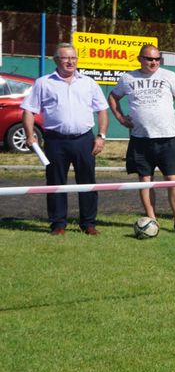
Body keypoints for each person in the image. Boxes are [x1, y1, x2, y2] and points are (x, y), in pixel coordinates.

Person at [20, 43, 109, 235]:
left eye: (73, 58)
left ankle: (89, 223)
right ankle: (58, 224)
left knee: (87, 182)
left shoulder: (89, 83)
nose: (70, 62)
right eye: (65, 58)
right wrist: (29, 134)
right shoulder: (43, 83)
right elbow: (28, 110)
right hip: (55, 141)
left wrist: (101, 136)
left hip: (84, 140)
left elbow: (102, 110)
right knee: (55, 182)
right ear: (56, 60)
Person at [108, 45, 175, 235]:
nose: (153, 62)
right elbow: (113, 97)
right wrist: (120, 118)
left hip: (167, 139)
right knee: (145, 181)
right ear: (140, 59)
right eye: (149, 59)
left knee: (173, 180)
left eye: (157, 59)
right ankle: (151, 220)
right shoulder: (128, 78)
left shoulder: (169, 76)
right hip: (140, 140)